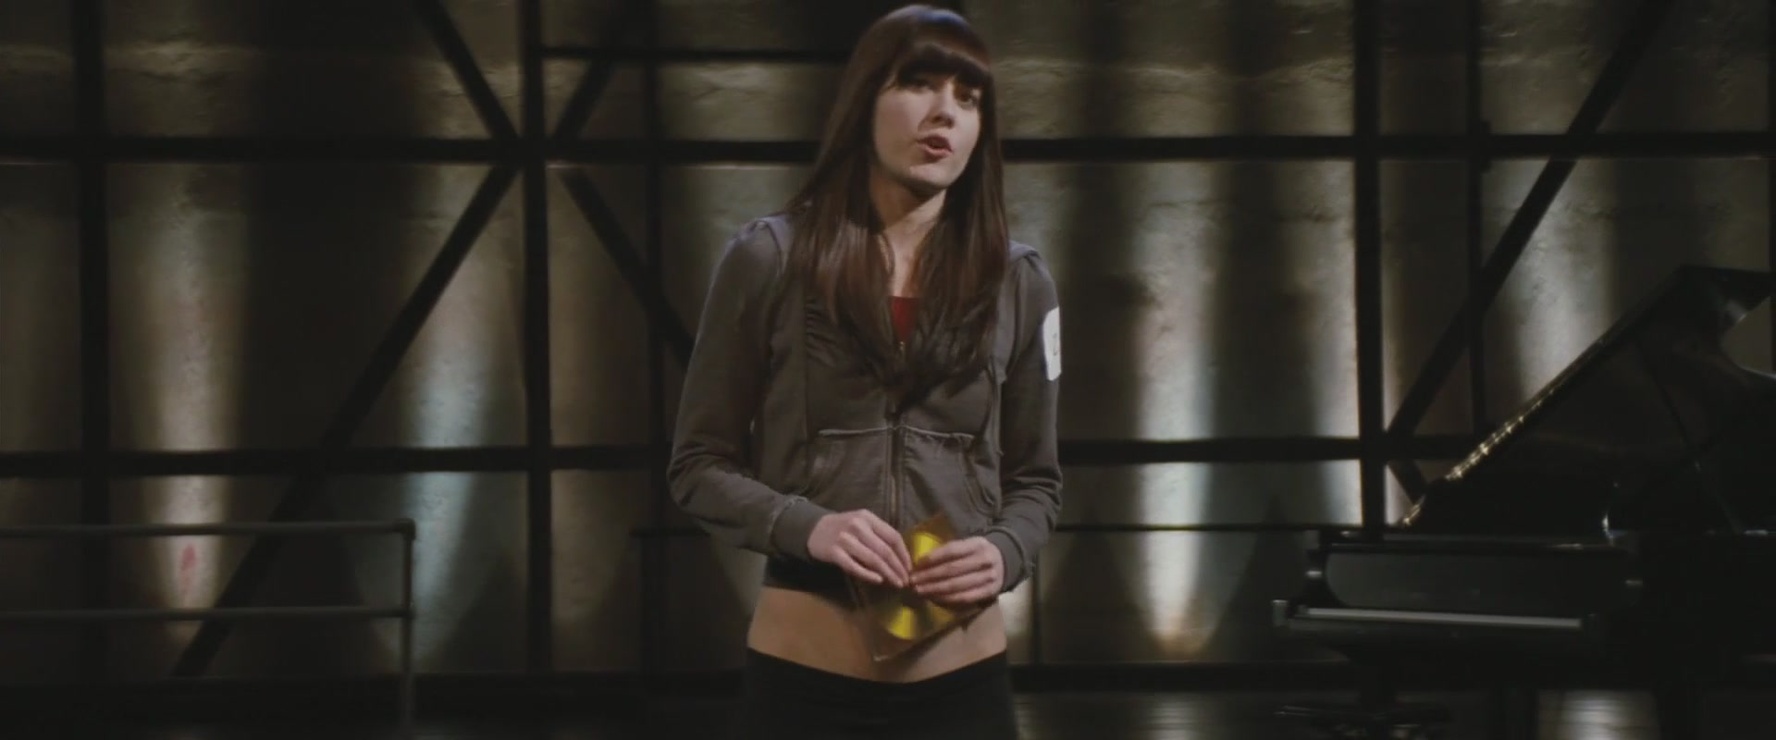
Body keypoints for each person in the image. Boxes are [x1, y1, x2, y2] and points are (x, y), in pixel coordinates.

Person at [667, 5, 1062, 738]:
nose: (946, 112)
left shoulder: (1018, 280)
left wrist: (1005, 550)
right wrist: (807, 526)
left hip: (964, 686)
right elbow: (697, 465)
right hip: (804, 682)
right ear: (862, 102)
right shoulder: (769, 259)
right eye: (918, 84)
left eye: (969, 98)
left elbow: (1037, 480)